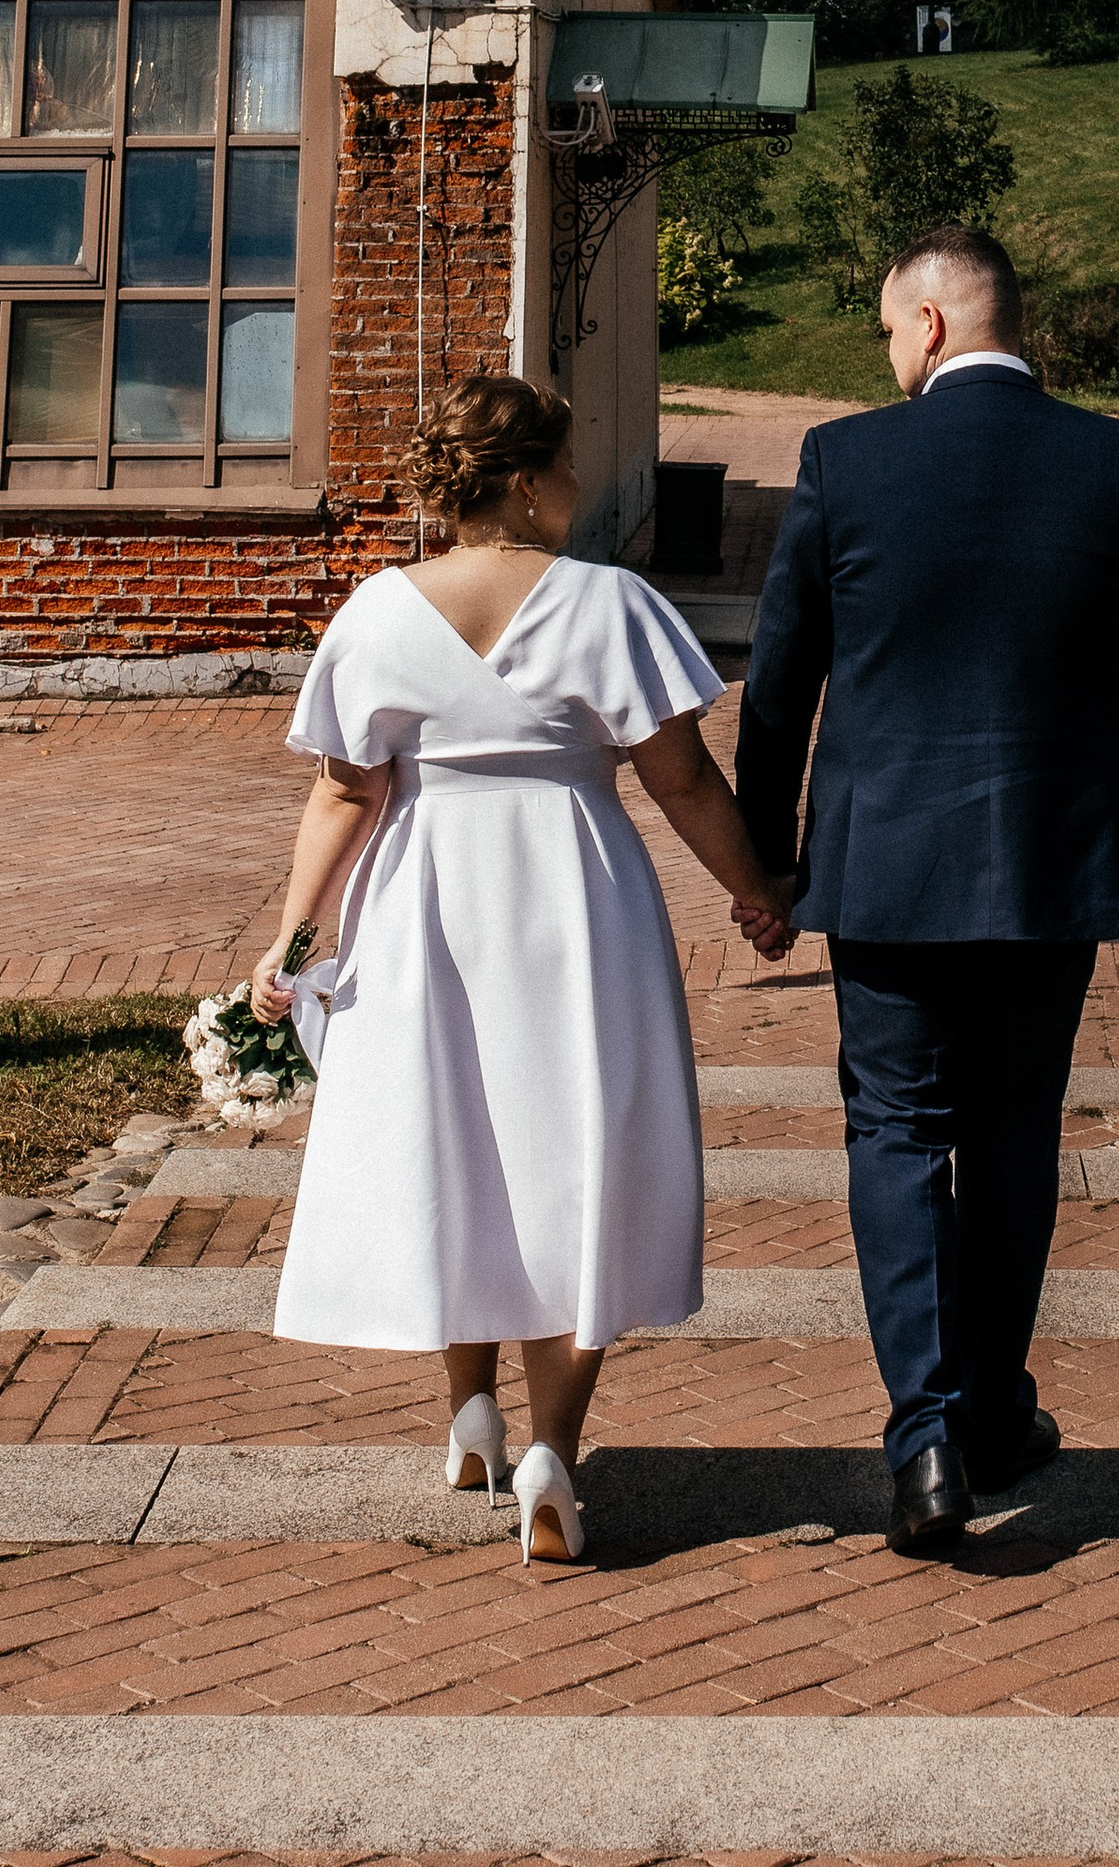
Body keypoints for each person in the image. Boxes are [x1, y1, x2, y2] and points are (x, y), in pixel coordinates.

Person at [734, 223, 1119, 1557]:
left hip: (885, 869)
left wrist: (767, 865)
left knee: (896, 1130)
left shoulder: (844, 461)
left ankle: (929, 1437)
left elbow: (781, 685)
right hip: (1054, 866)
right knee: (1012, 1131)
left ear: (934, 322)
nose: (888, 355)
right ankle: (994, 1407)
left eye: (890, 329)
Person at [248, 370, 790, 1566]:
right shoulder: (610, 602)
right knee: (578, 1154)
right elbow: (682, 779)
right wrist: (755, 889)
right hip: (574, 899)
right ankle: (553, 1449)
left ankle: (470, 1415)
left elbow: (344, 791)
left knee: (454, 1142)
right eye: (568, 465)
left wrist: (289, 936)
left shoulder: (378, 612)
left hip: (424, 898)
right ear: (535, 480)